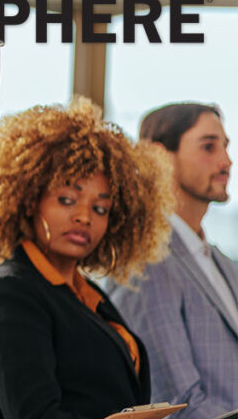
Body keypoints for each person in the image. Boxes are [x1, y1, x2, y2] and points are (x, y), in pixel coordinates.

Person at [0, 98, 175, 419]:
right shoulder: (12, 294)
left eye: (100, 208)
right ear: (30, 200)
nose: (84, 217)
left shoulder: (88, 295)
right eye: (67, 199)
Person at [107, 103, 237, 419]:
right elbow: (178, 405)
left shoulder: (223, 264)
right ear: (159, 156)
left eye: (225, 146)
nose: (226, 161)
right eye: (208, 146)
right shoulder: (145, 261)